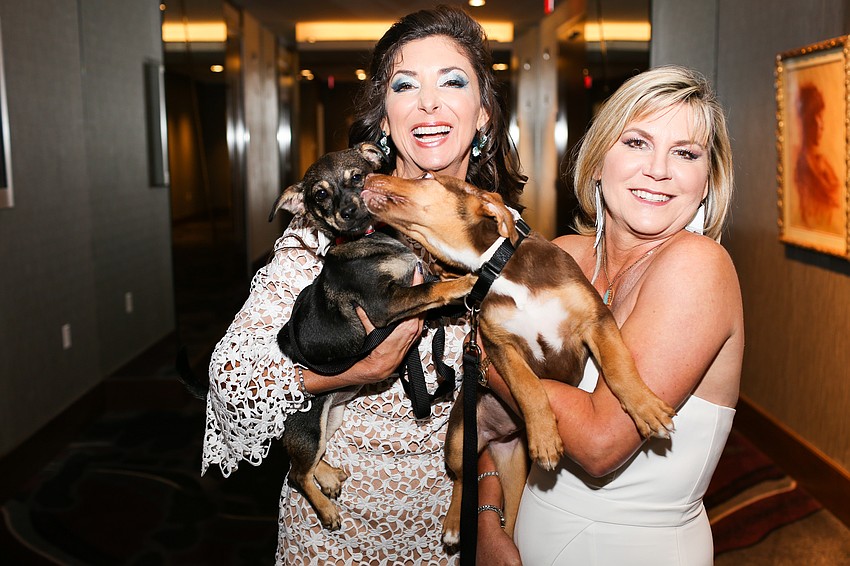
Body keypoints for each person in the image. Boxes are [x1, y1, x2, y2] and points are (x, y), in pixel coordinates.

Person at [201, 6, 525, 565]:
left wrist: (492, 517)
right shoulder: (322, 231)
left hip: (448, 528)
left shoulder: (504, 232)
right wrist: (358, 372)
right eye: (405, 85)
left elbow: (508, 412)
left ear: (484, 114)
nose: (429, 102)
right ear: (385, 117)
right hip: (335, 532)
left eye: (453, 80)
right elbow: (232, 379)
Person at [476, 65, 744, 565]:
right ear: (598, 161)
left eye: (685, 153)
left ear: (708, 180)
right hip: (527, 529)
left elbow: (600, 444)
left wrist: (483, 355)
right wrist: (489, 519)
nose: (658, 170)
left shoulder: (698, 267)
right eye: (637, 143)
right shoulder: (561, 257)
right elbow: (501, 421)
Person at [794, 82, 841, 232]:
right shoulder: (800, 166)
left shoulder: (823, 164)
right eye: (815, 115)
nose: (821, 124)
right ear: (806, 119)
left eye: (821, 115)